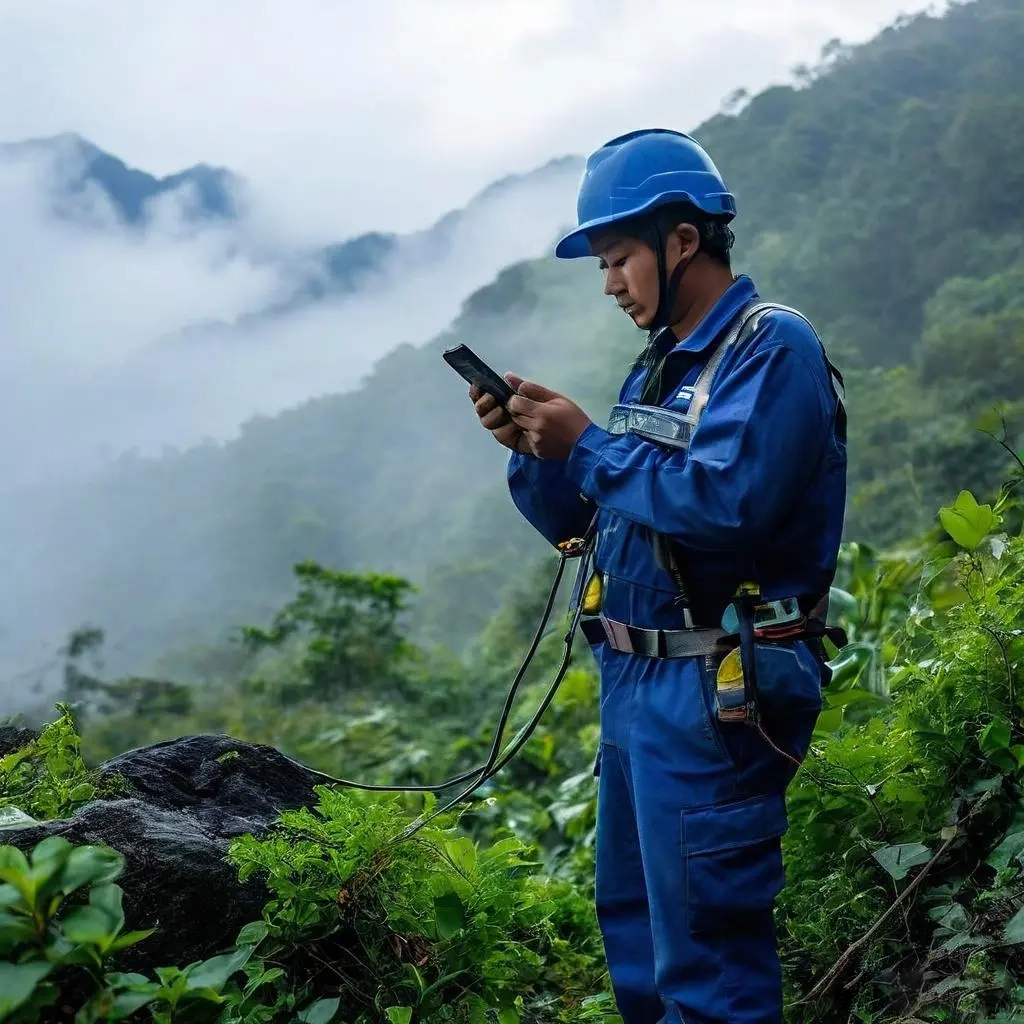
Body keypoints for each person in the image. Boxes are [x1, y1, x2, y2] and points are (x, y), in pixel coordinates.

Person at [469, 128, 847, 1023]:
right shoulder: (665, 369)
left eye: (618, 259)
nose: (609, 284)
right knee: (637, 935)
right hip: (636, 687)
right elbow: (588, 523)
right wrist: (536, 452)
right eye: (602, 265)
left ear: (684, 240)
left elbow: (728, 505)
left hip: (712, 688)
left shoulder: (771, 349)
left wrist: (589, 444)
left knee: (706, 960)